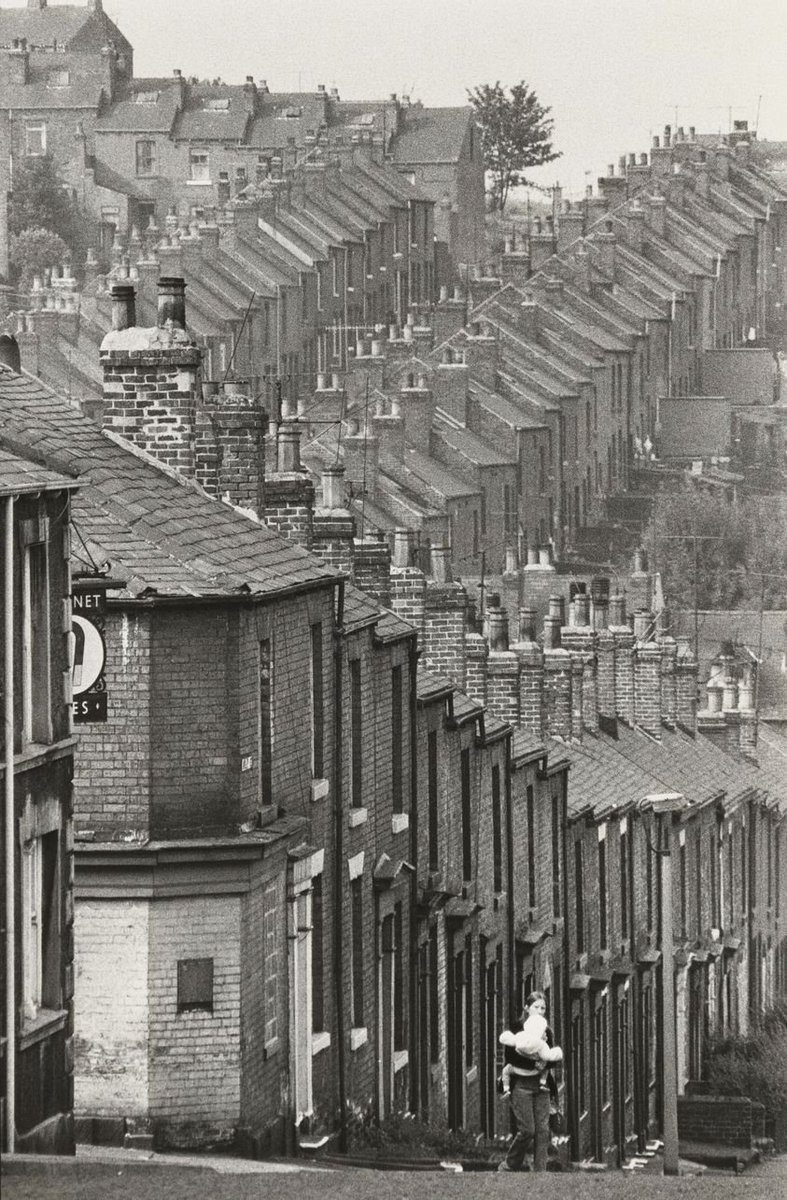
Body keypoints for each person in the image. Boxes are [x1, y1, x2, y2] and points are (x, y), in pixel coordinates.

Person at [497, 991, 562, 1173]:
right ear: (527, 1008)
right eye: (536, 1007)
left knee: (543, 1131)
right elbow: (511, 1057)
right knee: (527, 1130)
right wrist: (535, 1062)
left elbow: (552, 1058)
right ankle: (509, 1165)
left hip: (542, 1086)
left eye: (543, 1008)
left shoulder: (547, 1031)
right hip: (521, 1085)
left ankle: (540, 1172)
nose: (540, 1011)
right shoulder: (517, 1028)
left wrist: (545, 1062)